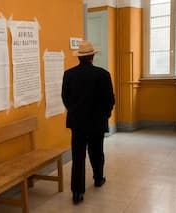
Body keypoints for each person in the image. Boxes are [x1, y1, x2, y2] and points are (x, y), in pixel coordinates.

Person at [61, 40, 115, 204]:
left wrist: (74, 111)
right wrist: (105, 114)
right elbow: (109, 100)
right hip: (97, 122)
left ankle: (77, 192)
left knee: (78, 157)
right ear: (92, 56)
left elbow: (65, 97)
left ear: (79, 58)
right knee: (96, 152)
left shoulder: (69, 74)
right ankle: (98, 178)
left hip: (77, 122)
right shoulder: (103, 74)